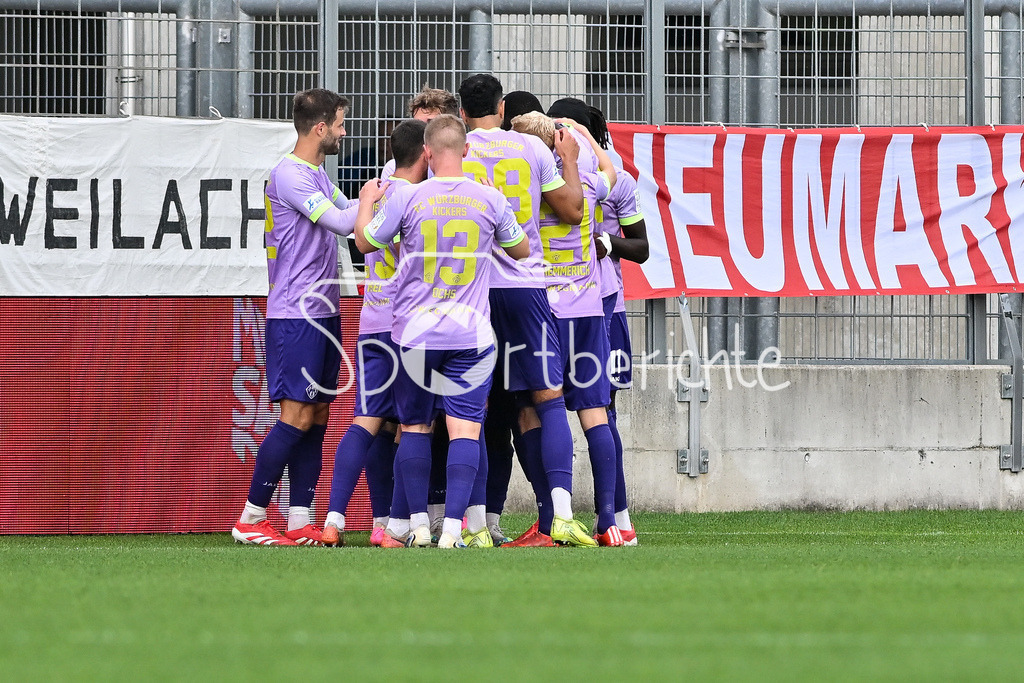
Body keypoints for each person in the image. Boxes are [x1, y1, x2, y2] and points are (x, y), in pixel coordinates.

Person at [354, 114, 530, 549]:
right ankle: (455, 529)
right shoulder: (489, 198)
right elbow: (522, 250)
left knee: (414, 428)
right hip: (470, 336)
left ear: (428, 152)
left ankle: (416, 526)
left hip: (416, 335)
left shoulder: (407, 198)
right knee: (466, 430)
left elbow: (365, 243)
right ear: (466, 150)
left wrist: (363, 202)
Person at [458, 73, 598, 548]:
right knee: (548, 398)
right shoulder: (532, 149)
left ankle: (475, 527)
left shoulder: (455, 151)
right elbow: (572, 209)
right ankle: (560, 514)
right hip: (524, 287)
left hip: (472, 290)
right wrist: (572, 162)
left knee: (471, 407)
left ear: (462, 113)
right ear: (501, 108)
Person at [231, 88, 357, 546]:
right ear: (321, 128)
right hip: (295, 312)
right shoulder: (291, 176)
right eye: (341, 124)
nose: (345, 132)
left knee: (318, 413)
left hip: (322, 310)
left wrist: (395, 194)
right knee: (297, 414)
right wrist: (387, 193)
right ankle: (250, 516)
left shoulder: (318, 175)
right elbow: (345, 225)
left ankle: (300, 520)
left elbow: (349, 211)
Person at [513, 110, 625, 547]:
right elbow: (612, 171)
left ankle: (550, 519)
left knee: (535, 411)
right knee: (595, 413)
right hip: (588, 313)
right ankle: (608, 521)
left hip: (543, 313)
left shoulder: (525, 194)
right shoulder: (589, 185)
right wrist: (581, 141)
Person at [321, 119, 429, 547]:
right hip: (408, 328)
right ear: (427, 153)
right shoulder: (419, 197)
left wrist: (366, 199)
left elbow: (360, 241)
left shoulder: (378, 190)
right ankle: (397, 526)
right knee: (414, 426)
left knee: (365, 421)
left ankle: (334, 519)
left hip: (372, 320)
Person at [583, 103, 649, 546]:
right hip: (563, 300)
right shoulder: (550, 171)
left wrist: (610, 241)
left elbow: (641, 246)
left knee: (603, 412)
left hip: (605, 305)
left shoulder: (614, 178)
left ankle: (618, 516)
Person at [380, 86, 459, 181]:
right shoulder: (394, 169)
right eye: (416, 124)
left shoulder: (465, 164)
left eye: (430, 124)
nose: (421, 131)